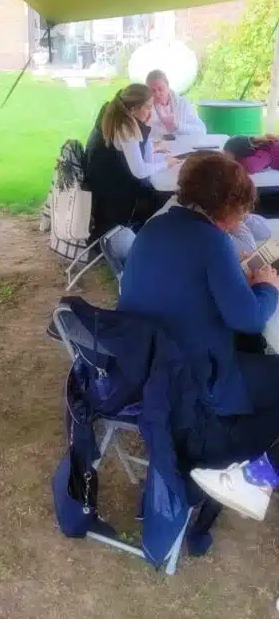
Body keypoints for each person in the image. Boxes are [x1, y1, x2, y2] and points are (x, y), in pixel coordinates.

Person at [118, 152, 279, 520]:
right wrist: (268, 287)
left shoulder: (156, 226)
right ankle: (241, 469)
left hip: (150, 371)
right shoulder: (211, 241)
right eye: (242, 210)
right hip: (194, 384)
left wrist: (234, 275)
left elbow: (187, 285)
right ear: (228, 206)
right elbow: (249, 319)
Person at [85, 84, 179, 238]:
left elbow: (146, 159)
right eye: (148, 107)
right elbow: (140, 171)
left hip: (107, 190)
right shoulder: (126, 128)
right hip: (115, 200)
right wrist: (166, 164)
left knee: (158, 191)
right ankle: (151, 238)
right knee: (167, 197)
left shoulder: (118, 119)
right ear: (134, 109)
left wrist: (146, 130)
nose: (151, 112)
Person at [146, 69, 206, 139]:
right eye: (153, 91)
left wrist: (178, 125)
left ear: (167, 86)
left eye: (160, 89)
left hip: (183, 145)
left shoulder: (183, 104)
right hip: (157, 145)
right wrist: (161, 119)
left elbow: (201, 131)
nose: (157, 94)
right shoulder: (145, 108)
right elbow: (142, 134)